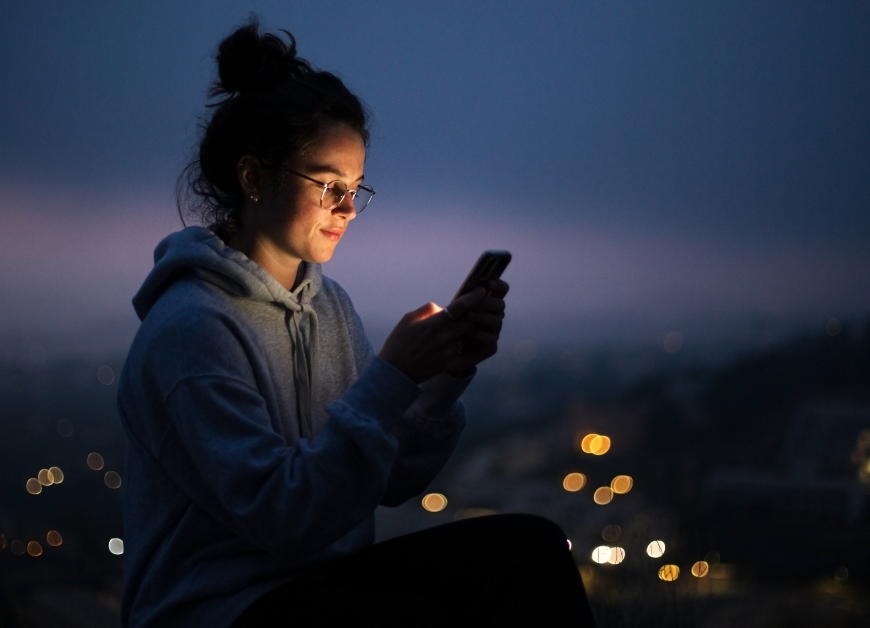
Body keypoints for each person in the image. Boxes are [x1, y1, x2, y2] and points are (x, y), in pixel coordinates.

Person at [117, 19, 595, 627]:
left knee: (531, 548)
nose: (347, 208)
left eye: (355, 187)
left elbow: (388, 479)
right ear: (253, 177)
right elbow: (286, 516)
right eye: (327, 184)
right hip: (224, 607)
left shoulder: (329, 306)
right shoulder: (192, 328)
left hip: (322, 578)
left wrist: (445, 375)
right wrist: (392, 374)